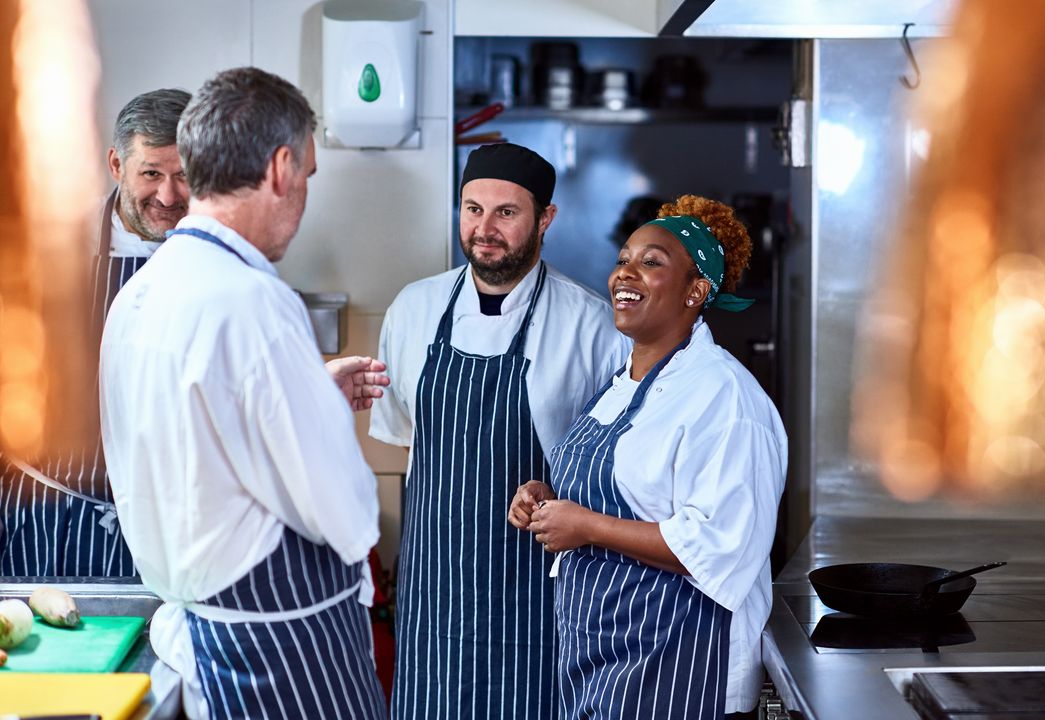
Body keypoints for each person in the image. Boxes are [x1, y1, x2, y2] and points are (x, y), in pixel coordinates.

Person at [99, 67, 389, 720]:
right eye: (308, 176)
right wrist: (320, 421)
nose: (303, 193)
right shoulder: (254, 300)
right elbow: (341, 513)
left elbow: (199, 436)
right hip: (282, 655)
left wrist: (309, 393)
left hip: (205, 633)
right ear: (281, 167)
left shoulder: (144, 291)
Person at [371, 142, 628, 719]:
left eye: (506, 213)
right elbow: (407, 450)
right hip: (433, 586)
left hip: (536, 588)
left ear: (546, 219)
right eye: (472, 209)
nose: (484, 229)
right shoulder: (412, 310)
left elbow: (614, 472)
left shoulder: (592, 326)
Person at [509, 195, 787, 720]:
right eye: (622, 259)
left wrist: (586, 525)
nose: (624, 274)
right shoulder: (621, 383)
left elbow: (714, 547)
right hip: (603, 663)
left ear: (697, 291)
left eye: (651, 262)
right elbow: (629, 492)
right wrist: (547, 500)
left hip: (680, 674)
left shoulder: (724, 397)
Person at [0, 87, 190, 577]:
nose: (168, 197)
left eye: (184, 176)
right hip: (43, 515)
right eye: (151, 173)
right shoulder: (54, 249)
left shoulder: (218, 258)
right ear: (115, 164)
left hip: (162, 526)